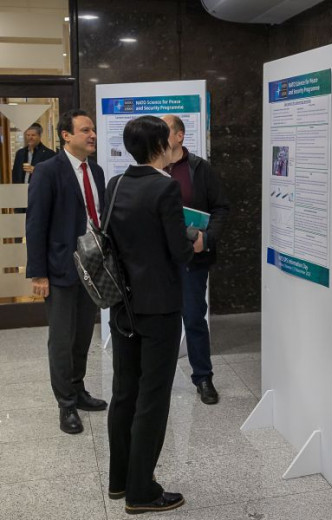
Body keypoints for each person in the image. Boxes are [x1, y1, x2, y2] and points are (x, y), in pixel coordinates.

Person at [105, 116, 203, 514]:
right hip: (159, 306)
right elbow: (178, 251)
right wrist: (195, 241)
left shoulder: (115, 184)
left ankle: (119, 479)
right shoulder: (165, 187)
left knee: (124, 391)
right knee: (153, 397)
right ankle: (142, 491)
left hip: (122, 304)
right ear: (161, 145)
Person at [26, 109, 107, 434]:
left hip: (92, 269)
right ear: (66, 135)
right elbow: (35, 224)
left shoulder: (96, 171)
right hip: (60, 269)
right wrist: (38, 274)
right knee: (62, 340)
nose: (92, 135)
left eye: (93, 129)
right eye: (85, 130)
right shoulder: (48, 171)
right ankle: (66, 404)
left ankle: (78, 388)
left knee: (83, 335)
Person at [161, 114, 229, 405]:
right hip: (158, 260)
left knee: (193, 318)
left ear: (179, 136)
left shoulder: (200, 169)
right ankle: (158, 380)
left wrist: (207, 238)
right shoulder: (151, 168)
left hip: (191, 258)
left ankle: (203, 378)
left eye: (165, 130)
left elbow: (221, 208)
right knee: (160, 321)